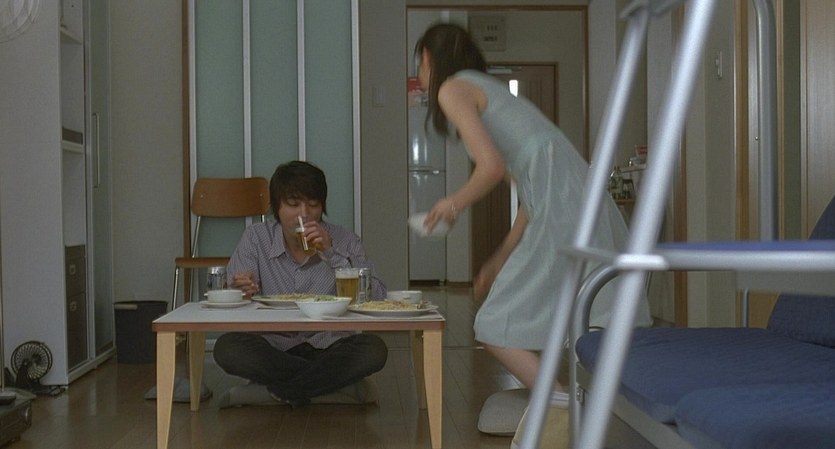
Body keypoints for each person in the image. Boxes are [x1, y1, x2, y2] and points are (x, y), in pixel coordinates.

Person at [414, 23, 652, 442]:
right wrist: (498, 258)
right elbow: (530, 200)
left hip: (562, 202)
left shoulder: (453, 88)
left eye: (420, 63)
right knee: (593, 308)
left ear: (429, 59)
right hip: (576, 195)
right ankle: (583, 404)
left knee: (493, 324)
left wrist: (451, 203)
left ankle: (561, 403)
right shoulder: (488, 91)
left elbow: (490, 168)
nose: (420, 72)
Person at [212, 160, 388, 408]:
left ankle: (268, 392)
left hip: (330, 344)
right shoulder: (256, 238)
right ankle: (335, 386)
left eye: (313, 204)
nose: (304, 214)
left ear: (322, 207)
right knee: (228, 348)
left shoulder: (345, 240)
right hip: (274, 345)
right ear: (277, 207)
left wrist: (331, 253)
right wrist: (240, 290)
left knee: (373, 350)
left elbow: (377, 297)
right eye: (293, 204)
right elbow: (233, 295)